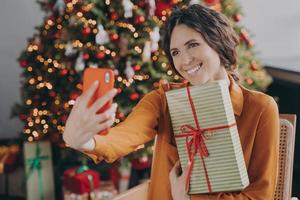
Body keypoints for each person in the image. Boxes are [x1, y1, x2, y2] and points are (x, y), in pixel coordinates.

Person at [63, 4, 279, 200]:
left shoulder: (260, 109)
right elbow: (125, 135)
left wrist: (189, 199)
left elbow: (260, 196)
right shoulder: (163, 100)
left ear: (219, 43)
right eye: (176, 52)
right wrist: (84, 141)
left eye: (193, 44)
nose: (184, 61)